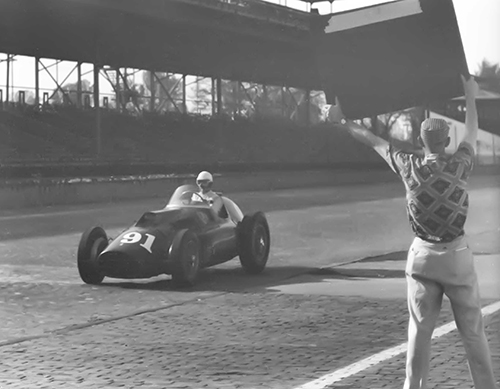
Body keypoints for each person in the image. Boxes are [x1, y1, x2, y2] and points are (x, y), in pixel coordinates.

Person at [328, 76, 498, 389]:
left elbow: (371, 139)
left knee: (419, 333)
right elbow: (472, 131)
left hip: (422, 257)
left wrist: (343, 121)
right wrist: (470, 96)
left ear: (421, 143)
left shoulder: (409, 166)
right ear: (447, 142)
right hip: (457, 256)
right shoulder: (461, 164)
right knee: (473, 333)